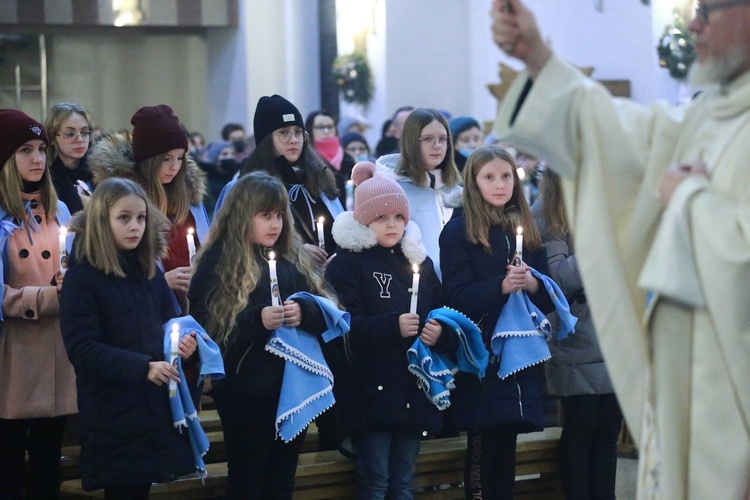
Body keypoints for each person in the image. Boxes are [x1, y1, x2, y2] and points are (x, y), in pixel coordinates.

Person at [491, 1, 750, 498]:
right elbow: (627, 138)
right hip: (691, 382)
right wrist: (540, 57)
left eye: (708, 11)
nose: (692, 23)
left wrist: (689, 203)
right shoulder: (712, 114)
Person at [188, 171, 333, 499]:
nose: (275, 224)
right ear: (242, 215)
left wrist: (304, 313)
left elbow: (325, 308)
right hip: (244, 391)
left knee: (282, 480)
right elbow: (206, 329)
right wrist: (257, 319)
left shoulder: (291, 260)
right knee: (248, 478)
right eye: (265, 215)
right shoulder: (217, 262)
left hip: (291, 389)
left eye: (280, 215)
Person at [59, 177, 198, 497]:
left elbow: (170, 324)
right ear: (101, 221)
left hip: (150, 406)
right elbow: (82, 348)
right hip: (112, 410)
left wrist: (183, 344)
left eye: (140, 218)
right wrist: (142, 368)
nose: (135, 226)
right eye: (124, 218)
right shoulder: (83, 278)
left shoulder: (149, 271)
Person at [325, 162, 449, 498]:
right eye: (381, 218)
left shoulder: (418, 262)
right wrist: (392, 326)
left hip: (412, 386)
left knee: (405, 479)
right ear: (364, 221)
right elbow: (343, 329)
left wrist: (439, 331)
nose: (392, 224)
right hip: (371, 392)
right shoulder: (348, 264)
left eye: (398, 217)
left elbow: (440, 309)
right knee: (375, 480)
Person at [439, 145, 552, 500]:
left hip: (517, 356)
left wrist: (532, 283)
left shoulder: (525, 230)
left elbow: (549, 294)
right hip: (481, 356)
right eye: (489, 177)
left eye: (506, 176)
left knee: (506, 447)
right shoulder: (458, 232)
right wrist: (501, 286)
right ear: (473, 182)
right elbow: (456, 298)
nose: (500, 184)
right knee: (482, 446)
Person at [531, 168, 623, 500]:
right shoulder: (549, 208)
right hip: (577, 332)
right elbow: (560, 278)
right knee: (582, 431)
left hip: (614, 330)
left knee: (609, 433)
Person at [0, 109, 77, 499]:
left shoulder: (58, 210)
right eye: (25, 150)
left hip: (57, 357)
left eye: (42, 149)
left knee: (49, 464)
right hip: (13, 359)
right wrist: (47, 297)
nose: (37, 158)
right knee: (8, 466)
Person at [88, 104, 210, 314]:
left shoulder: (191, 201)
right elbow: (113, 273)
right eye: (166, 159)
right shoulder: (127, 205)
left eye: (180, 158)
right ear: (149, 161)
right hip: (149, 315)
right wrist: (161, 282)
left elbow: (209, 252)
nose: (175, 166)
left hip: (198, 312)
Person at [215, 95, 344, 267]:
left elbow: (342, 232)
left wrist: (341, 258)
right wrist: (293, 252)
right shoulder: (242, 188)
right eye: (284, 132)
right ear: (266, 140)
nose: (293, 140)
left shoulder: (319, 179)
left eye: (298, 132)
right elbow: (232, 245)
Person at [376, 108, 463, 281]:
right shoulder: (392, 190)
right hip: (411, 284)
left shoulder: (459, 192)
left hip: (455, 285)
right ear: (411, 142)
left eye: (442, 139)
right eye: (428, 139)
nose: (437, 145)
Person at [45, 102, 96, 213]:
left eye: (84, 132)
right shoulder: (44, 177)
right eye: (70, 134)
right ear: (52, 138)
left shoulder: (101, 172)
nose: (80, 139)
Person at [305, 109, 356, 207]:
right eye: (320, 127)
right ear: (310, 130)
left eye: (330, 126)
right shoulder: (306, 158)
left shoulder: (347, 158)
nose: (326, 131)